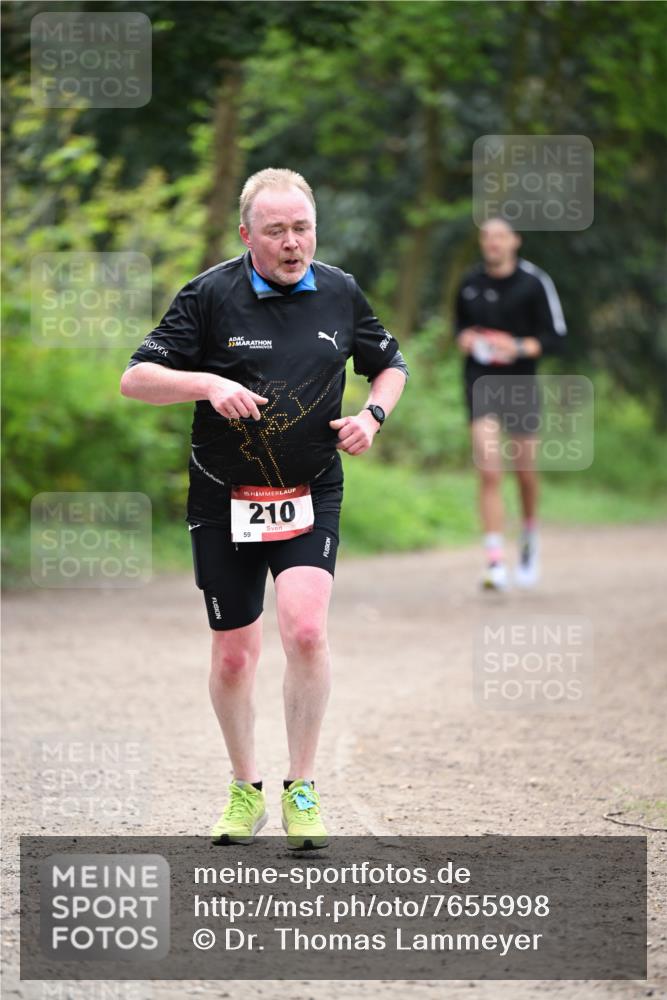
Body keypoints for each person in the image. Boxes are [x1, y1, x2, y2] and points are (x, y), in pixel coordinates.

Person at [120, 168, 407, 848]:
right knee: (233, 656)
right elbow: (136, 379)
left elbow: (390, 366)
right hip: (222, 495)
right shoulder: (209, 295)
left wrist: (371, 416)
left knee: (305, 631)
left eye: (302, 228)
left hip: (309, 489)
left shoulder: (339, 291)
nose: (291, 243)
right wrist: (206, 384)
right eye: (275, 231)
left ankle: (301, 788)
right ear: (246, 234)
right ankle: (244, 788)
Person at [454, 217, 567, 591]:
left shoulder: (534, 282)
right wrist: (466, 339)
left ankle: (529, 534)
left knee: (524, 473)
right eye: (487, 237)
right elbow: (459, 328)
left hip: (520, 385)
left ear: (515, 241)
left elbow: (555, 338)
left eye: (500, 237)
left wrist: (515, 346)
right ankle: (494, 562)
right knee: (489, 470)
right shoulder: (469, 283)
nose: (493, 243)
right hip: (480, 383)